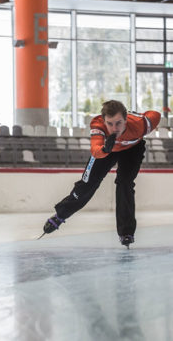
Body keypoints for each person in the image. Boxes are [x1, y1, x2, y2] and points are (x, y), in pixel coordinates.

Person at [42, 100, 161, 248]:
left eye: (118, 123)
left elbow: (155, 114)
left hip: (132, 149)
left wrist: (136, 114)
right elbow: (95, 150)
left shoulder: (140, 124)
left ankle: (126, 232)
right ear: (103, 120)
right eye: (109, 124)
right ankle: (61, 215)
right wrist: (105, 149)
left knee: (125, 184)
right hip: (106, 149)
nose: (114, 128)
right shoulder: (98, 126)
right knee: (88, 184)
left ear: (126, 119)